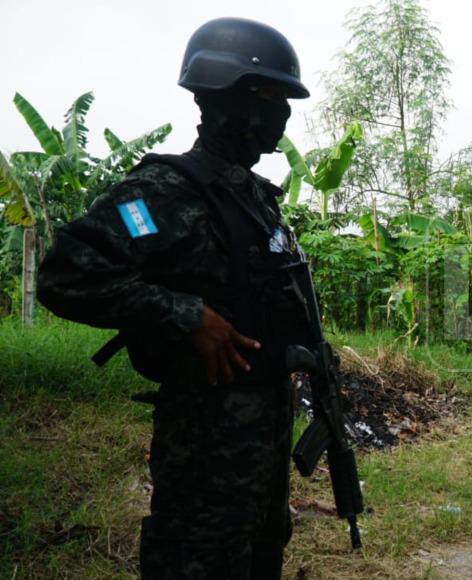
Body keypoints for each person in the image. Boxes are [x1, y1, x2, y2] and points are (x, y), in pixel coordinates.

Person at [37, 17, 315, 579]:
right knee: (196, 558)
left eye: (283, 100)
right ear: (218, 99)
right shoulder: (161, 193)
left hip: (262, 431)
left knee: (260, 554)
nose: (275, 115)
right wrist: (185, 315)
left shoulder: (257, 198)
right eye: (264, 96)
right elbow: (65, 276)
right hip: (206, 434)